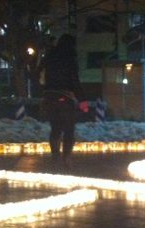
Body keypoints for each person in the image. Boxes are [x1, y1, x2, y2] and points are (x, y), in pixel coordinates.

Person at [39, 34, 87, 169]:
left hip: (49, 96)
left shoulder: (49, 56)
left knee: (55, 128)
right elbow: (75, 81)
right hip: (65, 96)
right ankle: (67, 158)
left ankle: (55, 157)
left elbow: (38, 72)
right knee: (69, 129)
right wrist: (82, 100)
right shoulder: (69, 58)